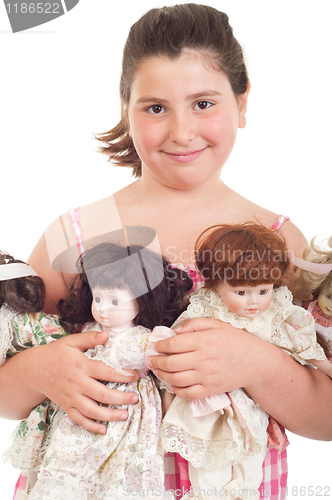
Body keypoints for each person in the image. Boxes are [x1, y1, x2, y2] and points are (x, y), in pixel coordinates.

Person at [1, 4, 331, 500]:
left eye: (204, 103)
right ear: (126, 110)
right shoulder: (75, 235)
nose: (181, 131)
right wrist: (40, 371)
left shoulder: (277, 240)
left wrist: (257, 363)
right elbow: (8, 387)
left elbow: (325, 418)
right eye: (155, 107)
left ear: (242, 103)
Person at [1, 241, 192, 499]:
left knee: (122, 468)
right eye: (99, 298)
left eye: (114, 300)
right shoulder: (88, 331)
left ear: (142, 301)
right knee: (68, 458)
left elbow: (169, 373)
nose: (102, 308)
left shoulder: (144, 340)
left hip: (127, 417)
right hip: (81, 413)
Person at [160, 223, 332, 499]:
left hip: (255, 407)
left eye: (263, 291)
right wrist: (168, 398)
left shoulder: (275, 314)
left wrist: (325, 367)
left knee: (252, 458)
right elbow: (177, 351)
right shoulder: (208, 311)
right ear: (216, 285)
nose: (254, 303)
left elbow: (303, 346)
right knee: (208, 460)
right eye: (241, 292)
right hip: (212, 406)